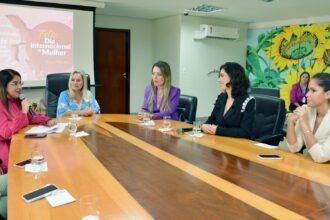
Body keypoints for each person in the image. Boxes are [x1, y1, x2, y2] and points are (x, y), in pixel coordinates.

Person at [0, 69, 57, 173]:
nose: (19, 87)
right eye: (15, 84)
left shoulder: (18, 101)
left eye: (20, 83)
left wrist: (47, 120)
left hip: (24, 146)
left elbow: (33, 116)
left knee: (51, 159)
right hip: (9, 155)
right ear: (3, 85)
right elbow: (6, 133)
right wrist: (22, 113)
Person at [201, 62, 255, 138]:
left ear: (233, 77)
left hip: (238, 146)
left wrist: (218, 130)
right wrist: (203, 126)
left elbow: (245, 132)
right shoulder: (221, 98)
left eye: (222, 76)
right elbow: (211, 120)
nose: (218, 80)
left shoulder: (248, 101)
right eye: (219, 76)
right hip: (221, 142)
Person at [286, 73, 330, 163]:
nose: (307, 95)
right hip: (313, 167)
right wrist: (290, 122)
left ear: (328, 94)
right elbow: (294, 148)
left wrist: (304, 123)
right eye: (308, 90)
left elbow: (321, 157)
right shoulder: (307, 110)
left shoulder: (305, 114)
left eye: (313, 91)